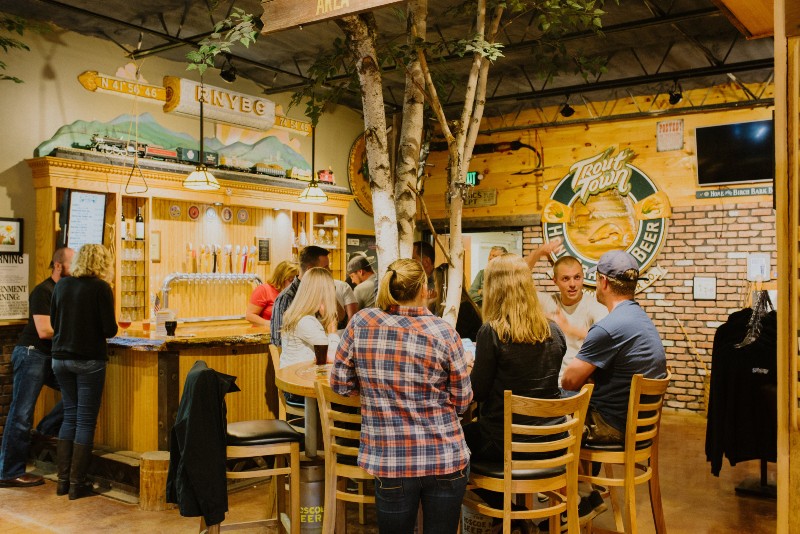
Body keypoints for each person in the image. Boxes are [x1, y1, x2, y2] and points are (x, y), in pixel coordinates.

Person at [331, 259, 472, 534]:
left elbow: (340, 384)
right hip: (445, 457)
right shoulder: (444, 332)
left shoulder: (362, 322)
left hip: (391, 460)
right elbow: (463, 401)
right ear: (424, 289)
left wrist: (373, 386)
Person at [559, 250, 667, 525]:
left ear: (603, 282)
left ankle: (567, 510)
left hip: (613, 427)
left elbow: (569, 381)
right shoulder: (641, 319)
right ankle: (585, 495)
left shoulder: (608, 328)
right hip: (637, 428)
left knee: (551, 422)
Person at [463, 253, 566, 463]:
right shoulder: (554, 331)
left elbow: (478, 392)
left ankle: (502, 496)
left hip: (506, 446)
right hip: (554, 441)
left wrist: (469, 370)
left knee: (450, 443)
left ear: (494, 289)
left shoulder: (491, 332)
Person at [0, 247, 74, 488]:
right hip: (32, 354)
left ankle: (44, 429)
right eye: (72, 263)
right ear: (58, 265)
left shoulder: (66, 291)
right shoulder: (43, 291)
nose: (76, 268)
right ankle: (9, 472)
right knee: (20, 414)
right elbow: (44, 331)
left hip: (49, 357)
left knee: (77, 393)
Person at [51, 244, 118, 499]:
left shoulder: (62, 285)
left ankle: (62, 482)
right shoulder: (101, 288)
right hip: (88, 360)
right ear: (102, 263)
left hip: (60, 359)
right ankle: (78, 484)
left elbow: (56, 323)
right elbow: (109, 330)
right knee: (85, 421)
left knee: (69, 417)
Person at [412, 240, 482, 340]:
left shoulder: (462, 308)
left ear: (443, 286)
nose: (433, 287)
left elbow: (449, 337)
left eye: (435, 283)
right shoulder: (454, 305)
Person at [279, 267, 340, 369]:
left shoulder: (299, 316)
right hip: (300, 380)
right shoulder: (305, 321)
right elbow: (334, 354)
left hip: (292, 376)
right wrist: (332, 329)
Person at [270, 246, 330, 347]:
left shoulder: (320, 292)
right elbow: (279, 341)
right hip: (300, 360)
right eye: (325, 268)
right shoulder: (286, 297)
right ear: (310, 270)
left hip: (320, 354)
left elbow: (338, 320)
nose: (329, 271)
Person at [245, 260, 299, 325]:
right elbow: (250, 316)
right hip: (265, 332)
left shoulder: (293, 292)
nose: (294, 284)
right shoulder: (263, 290)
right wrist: (270, 324)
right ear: (281, 279)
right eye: (291, 280)